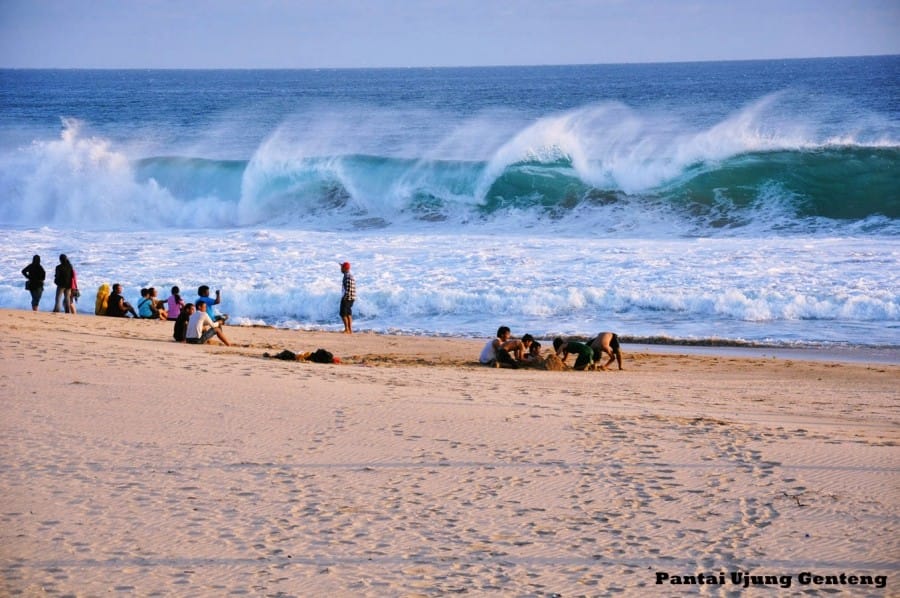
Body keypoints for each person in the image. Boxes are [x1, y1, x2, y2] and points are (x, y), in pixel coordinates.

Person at [340, 261, 356, 334]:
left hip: (347, 298)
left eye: (342, 267)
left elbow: (348, 289)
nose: (340, 269)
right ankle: (350, 330)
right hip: (351, 298)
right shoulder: (349, 275)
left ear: (345, 268)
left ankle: (347, 329)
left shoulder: (347, 276)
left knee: (343, 314)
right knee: (348, 313)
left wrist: (344, 297)